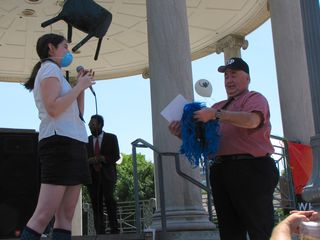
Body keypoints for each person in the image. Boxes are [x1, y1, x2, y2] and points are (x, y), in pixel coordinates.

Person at [169, 57, 279, 240]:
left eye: (234, 75)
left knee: (260, 229)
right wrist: (181, 134)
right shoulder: (217, 106)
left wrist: (216, 114)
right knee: (229, 232)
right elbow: (203, 144)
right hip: (221, 170)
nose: (228, 80)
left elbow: (252, 121)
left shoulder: (255, 98)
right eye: (226, 76)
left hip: (252, 168)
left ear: (248, 78)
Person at [21, 33, 94, 240]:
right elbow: (53, 108)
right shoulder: (49, 70)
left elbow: (78, 114)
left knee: (65, 216)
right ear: (51, 48)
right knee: (43, 215)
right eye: (65, 47)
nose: (68, 52)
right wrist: (78, 86)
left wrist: (81, 88)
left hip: (75, 142)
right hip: (59, 143)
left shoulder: (59, 75)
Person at [87, 114, 120, 234]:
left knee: (110, 200)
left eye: (93, 124)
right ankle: (99, 231)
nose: (90, 126)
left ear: (100, 125)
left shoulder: (111, 138)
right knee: (96, 203)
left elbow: (116, 156)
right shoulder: (87, 140)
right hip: (92, 177)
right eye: (90, 124)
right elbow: (83, 159)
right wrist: (90, 161)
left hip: (107, 176)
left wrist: (103, 158)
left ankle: (114, 229)